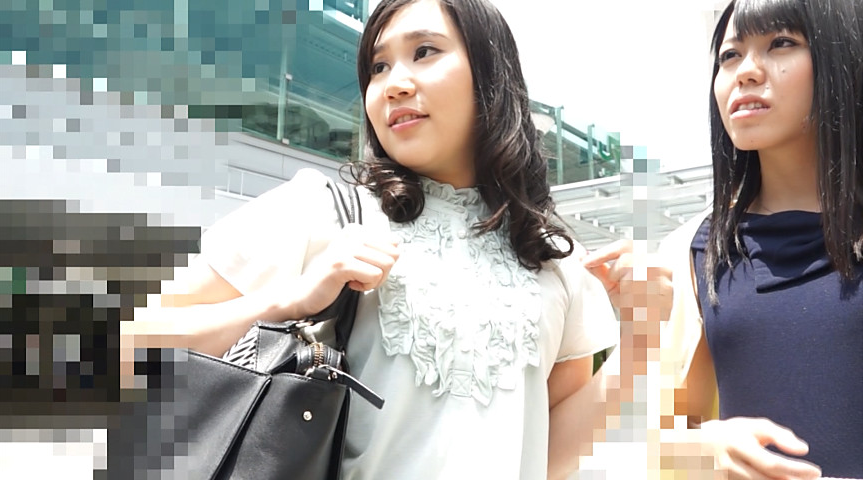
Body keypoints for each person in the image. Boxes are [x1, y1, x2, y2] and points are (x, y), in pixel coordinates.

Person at [125, 0, 619, 478]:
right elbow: (128, 343)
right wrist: (289, 300)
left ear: (492, 72)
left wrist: (643, 341)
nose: (393, 84)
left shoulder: (551, 257)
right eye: (378, 67)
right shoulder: (322, 210)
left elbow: (545, 456)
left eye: (424, 51)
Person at [586, 0, 863, 478]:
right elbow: (645, 440)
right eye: (730, 55)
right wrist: (707, 449)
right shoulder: (693, 253)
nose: (746, 71)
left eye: (781, 43)